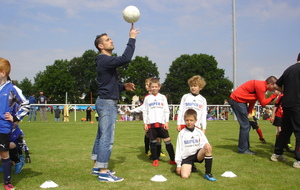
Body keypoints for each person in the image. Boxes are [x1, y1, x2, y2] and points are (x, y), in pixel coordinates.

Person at [91, 23, 139, 182]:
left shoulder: (104, 61)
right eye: (107, 39)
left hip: (104, 101)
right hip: (107, 104)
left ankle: (97, 167)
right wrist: (131, 39)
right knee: (107, 138)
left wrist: (123, 87)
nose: (111, 41)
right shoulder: (104, 59)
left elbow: (110, 85)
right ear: (100, 46)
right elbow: (126, 58)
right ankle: (104, 172)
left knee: (101, 136)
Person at [229, 76, 279, 154]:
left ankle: (244, 148)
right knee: (245, 125)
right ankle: (243, 149)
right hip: (238, 101)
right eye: (275, 87)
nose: (275, 89)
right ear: (271, 84)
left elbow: (253, 99)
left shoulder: (260, 85)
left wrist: (249, 111)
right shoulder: (261, 87)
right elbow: (263, 103)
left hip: (239, 101)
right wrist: (274, 96)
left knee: (246, 125)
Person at [0, 57, 30, 190]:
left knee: (4, 154)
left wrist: (15, 118)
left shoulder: (12, 89)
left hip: (3, 127)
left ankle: (7, 182)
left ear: (2, 73)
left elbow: (26, 105)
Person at [270, 53, 300, 168]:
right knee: (299, 131)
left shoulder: (289, 70)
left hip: (287, 104)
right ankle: (298, 160)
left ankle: (277, 154)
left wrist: (286, 91)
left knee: (286, 130)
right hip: (298, 104)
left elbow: (276, 86)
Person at [142, 78, 176, 167]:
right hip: (151, 123)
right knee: (153, 141)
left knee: (167, 140)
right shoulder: (147, 98)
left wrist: (166, 122)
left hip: (161, 123)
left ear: (159, 87)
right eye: (152, 87)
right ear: (149, 88)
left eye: (155, 87)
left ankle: (173, 159)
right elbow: (145, 111)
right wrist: (145, 123)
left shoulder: (162, 97)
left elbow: (166, 110)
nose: (154, 88)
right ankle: (155, 159)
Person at [175, 109, 216, 181]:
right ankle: (191, 166)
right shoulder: (181, 133)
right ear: (184, 120)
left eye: (191, 120)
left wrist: (206, 144)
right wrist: (178, 165)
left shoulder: (199, 132)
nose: (189, 122)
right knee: (184, 176)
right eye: (187, 120)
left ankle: (208, 173)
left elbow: (205, 142)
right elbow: (178, 149)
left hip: (197, 155)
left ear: (195, 120)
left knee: (208, 148)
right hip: (186, 157)